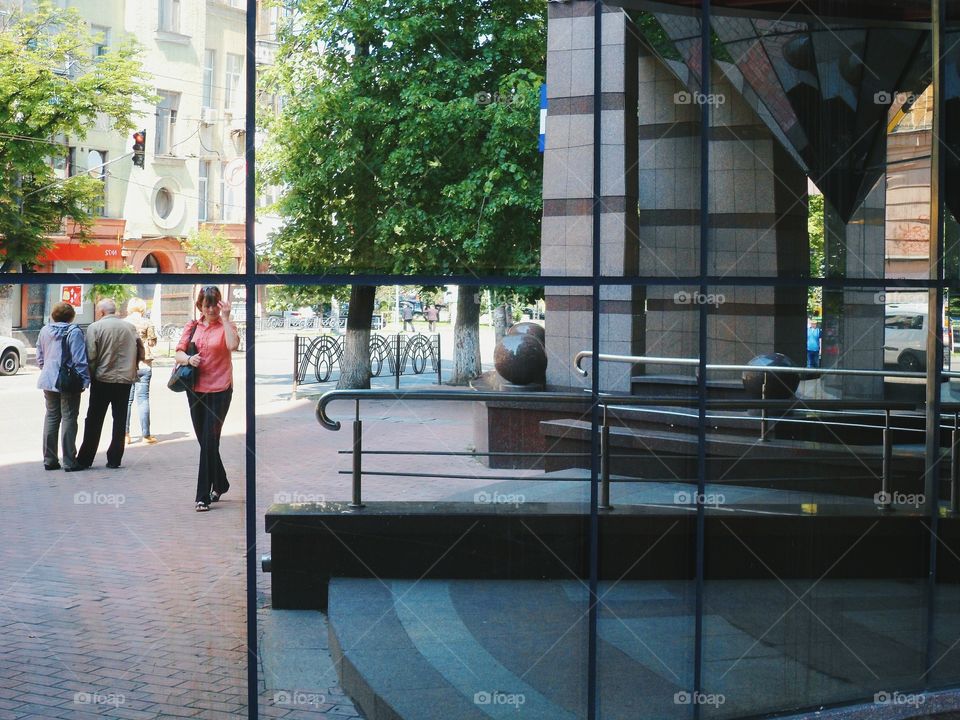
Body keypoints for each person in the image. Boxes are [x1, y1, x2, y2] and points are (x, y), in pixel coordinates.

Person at [175, 286, 240, 512]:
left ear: (220, 303)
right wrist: (188, 359)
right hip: (195, 389)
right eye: (207, 305)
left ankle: (203, 496)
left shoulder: (226, 325)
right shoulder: (192, 326)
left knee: (210, 441)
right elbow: (178, 353)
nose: (211, 309)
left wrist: (226, 318)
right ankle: (220, 482)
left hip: (221, 389)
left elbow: (233, 345)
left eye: (215, 304)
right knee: (205, 442)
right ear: (200, 306)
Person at [76, 299, 143, 470]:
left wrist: (89, 377)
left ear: (101, 312)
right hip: (125, 380)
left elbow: (91, 355)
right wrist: (133, 366)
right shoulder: (130, 327)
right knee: (119, 420)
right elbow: (140, 351)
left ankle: (85, 458)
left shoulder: (95, 328)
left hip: (102, 380)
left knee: (94, 420)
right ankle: (114, 459)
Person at [36, 302, 90, 471]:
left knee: (51, 417)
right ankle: (69, 461)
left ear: (54, 315)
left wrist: (46, 368)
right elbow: (79, 359)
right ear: (71, 316)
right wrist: (85, 379)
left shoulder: (45, 330)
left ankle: (49, 460)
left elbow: (39, 354)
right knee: (69, 418)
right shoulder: (74, 332)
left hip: (47, 379)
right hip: (68, 381)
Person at [124, 297, 158, 444]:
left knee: (127, 401)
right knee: (143, 400)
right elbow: (152, 342)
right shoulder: (148, 322)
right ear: (142, 308)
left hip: (128, 365)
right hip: (144, 364)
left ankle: (125, 435)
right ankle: (146, 435)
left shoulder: (124, 323)